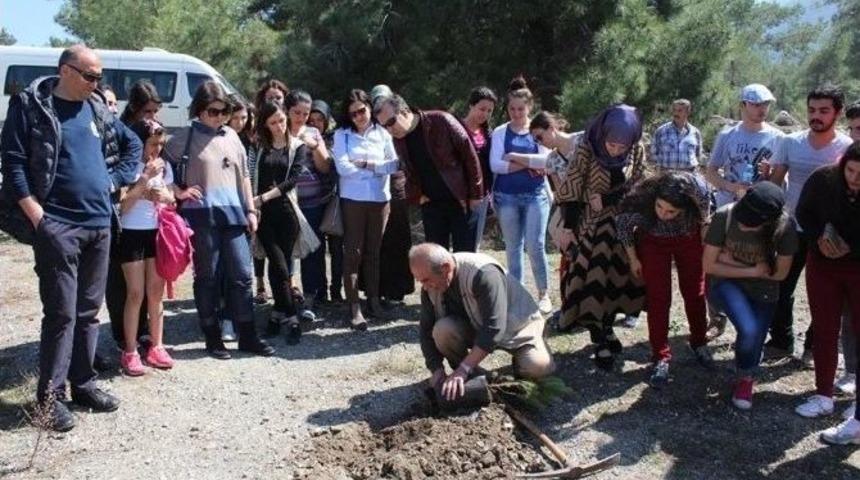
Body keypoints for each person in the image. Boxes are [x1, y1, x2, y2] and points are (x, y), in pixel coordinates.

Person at [0, 45, 142, 431]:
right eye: (90, 76)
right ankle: (50, 399)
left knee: (88, 312)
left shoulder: (96, 108)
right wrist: (38, 217)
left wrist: (113, 182)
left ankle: (83, 384)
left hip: (99, 224)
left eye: (99, 77)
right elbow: (13, 163)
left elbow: (132, 144)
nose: (97, 83)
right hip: (58, 226)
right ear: (65, 70)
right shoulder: (32, 106)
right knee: (61, 313)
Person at [163, 80, 274, 359]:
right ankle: (212, 337)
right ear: (199, 110)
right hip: (201, 217)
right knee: (208, 277)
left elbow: (244, 176)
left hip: (234, 215)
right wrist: (178, 191)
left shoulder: (232, 136)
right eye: (213, 111)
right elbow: (159, 167)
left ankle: (247, 335)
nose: (220, 117)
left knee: (242, 276)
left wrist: (250, 210)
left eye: (224, 111)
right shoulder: (184, 137)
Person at [764, 85, 852, 370]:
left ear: (837, 113)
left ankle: (813, 347)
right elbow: (775, 183)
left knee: (826, 295)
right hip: (790, 226)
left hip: (828, 232)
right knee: (781, 285)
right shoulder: (791, 142)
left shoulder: (847, 148)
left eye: (824, 111)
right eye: (812, 110)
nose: (816, 116)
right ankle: (781, 341)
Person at [556, 104, 647, 370]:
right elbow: (572, 187)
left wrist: (609, 198)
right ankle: (598, 337)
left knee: (616, 281)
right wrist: (568, 228)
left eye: (621, 147)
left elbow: (639, 184)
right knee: (591, 280)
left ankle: (607, 327)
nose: (616, 150)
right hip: (591, 225)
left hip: (623, 225)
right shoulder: (587, 147)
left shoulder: (636, 149)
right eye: (611, 144)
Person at [410, 243, 555, 401]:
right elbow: (426, 331)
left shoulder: (483, 273)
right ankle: (474, 374)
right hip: (478, 326)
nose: (424, 287)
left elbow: (494, 328)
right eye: (420, 281)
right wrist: (436, 370)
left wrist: (463, 369)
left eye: (426, 280)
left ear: (445, 268)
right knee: (442, 330)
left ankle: (520, 358)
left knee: (538, 368)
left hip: (517, 327)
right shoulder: (430, 287)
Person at [703, 182, 797, 410]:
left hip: (764, 290)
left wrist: (729, 260)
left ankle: (746, 376)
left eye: (751, 223)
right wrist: (753, 270)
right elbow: (709, 265)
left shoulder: (784, 227)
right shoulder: (725, 216)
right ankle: (746, 373)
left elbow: (780, 274)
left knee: (754, 339)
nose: (743, 224)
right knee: (749, 329)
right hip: (726, 283)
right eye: (743, 218)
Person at [616, 172, 713, 386]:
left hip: (688, 237)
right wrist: (633, 259)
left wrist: (705, 251)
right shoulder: (642, 199)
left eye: (671, 211)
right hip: (653, 241)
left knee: (695, 292)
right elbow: (623, 225)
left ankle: (699, 342)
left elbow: (705, 220)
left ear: (685, 207)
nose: (663, 214)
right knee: (658, 298)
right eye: (659, 207)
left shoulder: (699, 192)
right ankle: (660, 355)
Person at [704, 83, 784, 340]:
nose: (762, 109)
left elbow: (781, 180)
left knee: (756, 258)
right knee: (718, 261)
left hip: (761, 214)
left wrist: (769, 176)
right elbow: (711, 171)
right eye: (756, 104)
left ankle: (749, 318)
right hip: (728, 209)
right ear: (743, 105)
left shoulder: (777, 137)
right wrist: (732, 187)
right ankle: (717, 316)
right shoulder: (728, 135)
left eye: (766, 104)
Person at [796, 143, 860, 444]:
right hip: (823, 265)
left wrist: (851, 247)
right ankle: (823, 395)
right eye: (851, 170)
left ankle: (857, 410)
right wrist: (819, 236)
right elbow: (803, 212)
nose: (855, 179)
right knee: (824, 329)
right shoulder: (823, 179)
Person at [373, 94, 484, 252]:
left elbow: (470, 156)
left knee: (465, 256)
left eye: (391, 122)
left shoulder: (440, 120)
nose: (389, 130)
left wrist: (476, 195)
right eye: (384, 126)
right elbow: (406, 170)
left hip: (461, 200)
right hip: (431, 206)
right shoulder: (398, 140)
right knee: (435, 259)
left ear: (404, 111)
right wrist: (416, 196)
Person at [104, 79, 163, 358]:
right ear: (135, 109)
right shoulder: (122, 133)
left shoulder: (152, 136)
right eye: (147, 111)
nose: (151, 116)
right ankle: (123, 336)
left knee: (146, 288)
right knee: (122, 285)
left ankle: (142, 332)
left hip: (147, 224)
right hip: (122, 223)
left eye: (155, 111)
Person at [333, 89, 400, 329]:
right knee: (353, 252)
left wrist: (365, 164)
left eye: (362, 110)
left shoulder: (383, 133)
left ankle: (373, 301)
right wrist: (375, 170)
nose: (359, 117)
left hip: (380, 200)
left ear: (369, 107)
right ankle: (354, 306)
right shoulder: (342, 135)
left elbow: (394, 164)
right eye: (353, 114)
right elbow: (342, 168)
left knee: (374, 252)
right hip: (353, 200)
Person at [489, 77, 553, 314]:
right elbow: (495, 165)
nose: (516, 113)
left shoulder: (537, 130)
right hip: (506, 197)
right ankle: (517, 294)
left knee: (536, 245)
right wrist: (528, 163)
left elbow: (546, 161)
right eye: (512, 109)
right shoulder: (500, 132)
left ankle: (544, 293)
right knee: (513, 246)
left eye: (521, 109)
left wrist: (515, 157)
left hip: (536, 195)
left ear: (529, 108)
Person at [117, 119, 175, 375]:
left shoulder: (165, 167)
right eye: (152, 144)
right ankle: (130, 350)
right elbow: (122, 206)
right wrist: (144, 181)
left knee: (155, 292)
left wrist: (166, 197)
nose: (157, 149)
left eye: (160, 144)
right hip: (131, 233)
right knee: (135, 293)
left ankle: (157, 346)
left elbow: (172, 199)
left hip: (156, 232)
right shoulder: (128, 165)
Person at [252, 100, 308, 344]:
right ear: (265, 124)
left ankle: (277, 314)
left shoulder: (297, 146)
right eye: (273, 122)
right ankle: (292, 318)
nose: (279, 126)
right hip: (264, 217)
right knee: (278, 265)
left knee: (281, 266)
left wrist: (264, 197)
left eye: (281, 120)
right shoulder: (260, 147)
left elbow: (293, 180)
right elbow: (251, 175)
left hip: (287, 213)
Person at [286, 90, 332, 316]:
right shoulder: (279, 129)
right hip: (286, 202)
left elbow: (325, 167)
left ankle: (311, 298)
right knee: (286, 250)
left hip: (312, 202)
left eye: (305, 113)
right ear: (287, 111)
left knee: (313, 251)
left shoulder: (313, 132)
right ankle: (286, 298)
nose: (302, 118)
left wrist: (313, 146)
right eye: (297, 112)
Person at [368, 87, 414, 305]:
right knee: (378, 241)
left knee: (399, 238)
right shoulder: (369, 128)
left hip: (397, 185)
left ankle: (397, 290)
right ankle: (376, 289)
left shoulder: (400, 127)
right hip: (374, 188)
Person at [308, 99, 344, 302]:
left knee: (337, 249)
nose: (315, 124)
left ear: (327, 120)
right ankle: (319, 291)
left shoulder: (336, 138)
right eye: (311, 119)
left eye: (319, 119)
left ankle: (336, 290)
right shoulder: (303, 139)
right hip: (313, 202)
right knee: (316, 249)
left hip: (334, 200)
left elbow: (332, 166)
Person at [460, 86, 498, 249]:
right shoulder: (456, 128)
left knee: (472, 243)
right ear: (471, 105)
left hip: (481, 195)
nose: (485, 114)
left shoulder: (489, 134)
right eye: (482, 109)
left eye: (489, 111)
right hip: (458, 194)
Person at [649, 99, 702, 172]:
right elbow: (653, 153)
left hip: (689, 175)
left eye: (680, 111)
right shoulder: (661, 131)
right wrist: (659, 170)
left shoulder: (695, 133)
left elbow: (698, 155)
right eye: (674, 110)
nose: (676, 113)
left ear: (688, 112)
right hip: (666, 175)